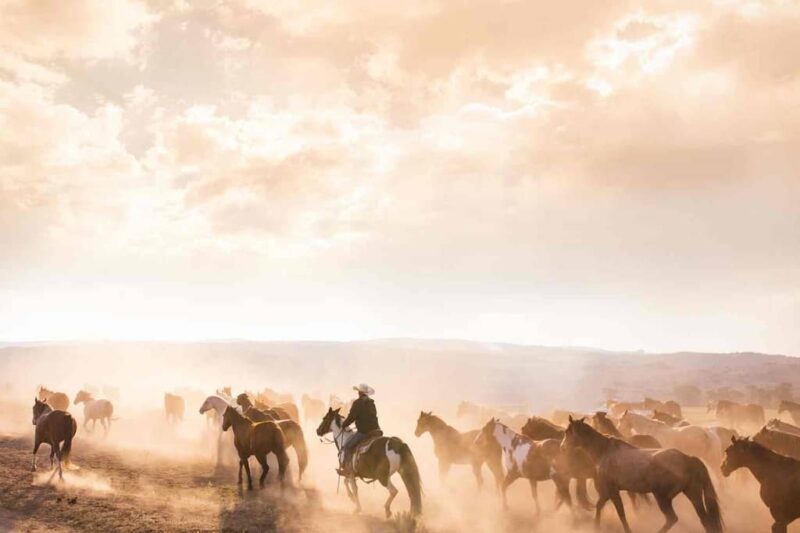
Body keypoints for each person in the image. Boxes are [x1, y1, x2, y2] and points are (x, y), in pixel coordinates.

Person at [337, 383, 381, 476]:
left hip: (364, 432)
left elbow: (351, 417)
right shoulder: (371, 403)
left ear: (360, 393)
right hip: (376, 430)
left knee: (348, 447)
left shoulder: (358, 403)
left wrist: (344, 425)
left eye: (358, 392)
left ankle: (347, 469)